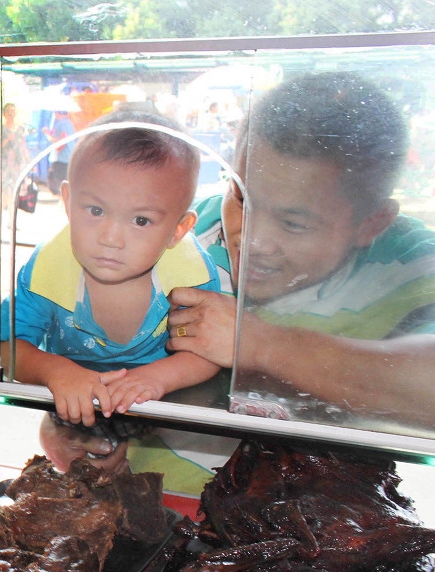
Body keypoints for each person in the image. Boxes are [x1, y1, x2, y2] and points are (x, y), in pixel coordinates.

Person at [168, 71, 435, 430]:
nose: (253, 241)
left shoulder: (410, 263)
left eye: (293, 223)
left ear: (372, 223)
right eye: (243, 199)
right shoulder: (178, 228)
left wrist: (258, 343)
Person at [0, 111, 225, 427]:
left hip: (161, 414)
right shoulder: (47, 271)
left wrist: (158, 377)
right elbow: (4, 346)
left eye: (140, 220)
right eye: (96, 210)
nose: (110, 239)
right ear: (67, 201)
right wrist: (55, 371)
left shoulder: (192, 275)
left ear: (178, 229)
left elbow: (210, 350)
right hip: (71, 410)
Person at [43, 108, 75, 194]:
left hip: (60, 158)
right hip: (69, 157)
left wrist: (46, 134)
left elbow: (58, 141)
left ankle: (62, 200)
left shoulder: (60, 125)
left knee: (56, 182)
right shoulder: (70, 124)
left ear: (57, 113)